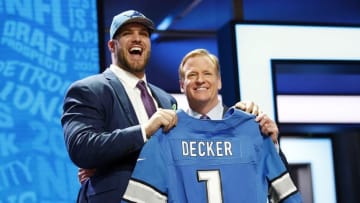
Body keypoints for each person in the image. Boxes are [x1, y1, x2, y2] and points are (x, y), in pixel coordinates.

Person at [61, 10, 280, 203]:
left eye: (143, 34)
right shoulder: (89, 89)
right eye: (127, 33)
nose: (137, 38)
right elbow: (82, 147)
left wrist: (260, 134)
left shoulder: (166, 100)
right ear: (112, 45)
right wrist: (144, 131)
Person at [121, 48, 302, 202]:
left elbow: (283, 193)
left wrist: (272, 143)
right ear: (182, 85)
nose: (200, 80)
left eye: (207, 73)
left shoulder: (252, 126)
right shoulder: (166, 133)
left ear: (219, 81)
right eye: (192, 75)